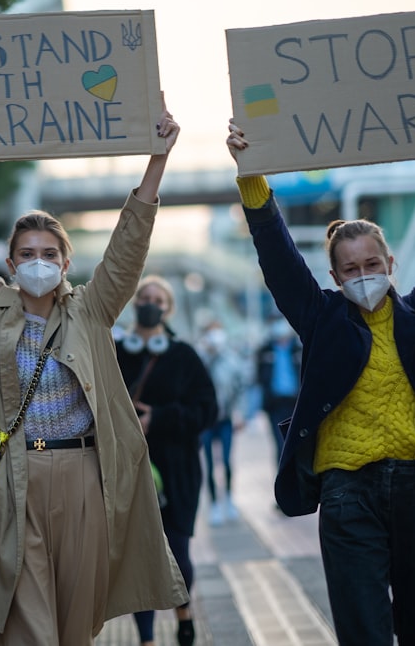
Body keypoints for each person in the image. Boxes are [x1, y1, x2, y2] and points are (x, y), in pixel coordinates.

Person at [0, 94, 188, 644]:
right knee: (28, 628)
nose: (38, 263)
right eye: (27, 253)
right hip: (14, 481)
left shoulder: (93, 309)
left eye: (49, 254)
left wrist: (158, 160)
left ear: (65, 262)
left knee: (76, 626)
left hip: (83, 480)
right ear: (10, 263)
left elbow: (128, 248)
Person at [226, 98, 415, 646]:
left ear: (390, 264)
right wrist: (250, 176)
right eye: (350, 269)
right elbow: (277, 257)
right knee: (363, 634)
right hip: (346, 494)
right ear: (334, 275)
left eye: (372, 264)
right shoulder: (321, 319)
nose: (363, 275)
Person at [115, 275, 218, 646]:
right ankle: (146, 638)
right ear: (134, 301)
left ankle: (184, 614)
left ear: (168, 309)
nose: (151, 303)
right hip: (128, 470)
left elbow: (207, 410)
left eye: (159, 299)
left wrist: (156, 418)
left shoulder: (183, 356)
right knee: (137, 557)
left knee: (176, 550)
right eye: (145, 296)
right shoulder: (113, 352)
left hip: (178, 472)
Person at [196, 319, 248, 526]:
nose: (215, 337)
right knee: (208, 463)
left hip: (226, 419)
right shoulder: (200, 358)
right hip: (207, 421)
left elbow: (241, 387)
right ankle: (214, 505)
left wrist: (240, 413)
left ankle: (229, 498)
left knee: (226, 461)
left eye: (218, 332)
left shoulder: (231, 359)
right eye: (211, 332)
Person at [255, 318, 302, 466]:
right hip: (275, 405)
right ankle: (284, 483)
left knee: (298, 447)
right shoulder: (265, 351)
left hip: (296, 404)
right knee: (280, 446)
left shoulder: (298, 349)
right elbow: (259, 378)